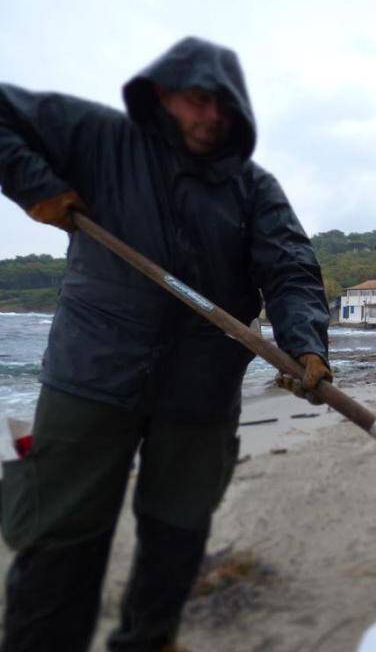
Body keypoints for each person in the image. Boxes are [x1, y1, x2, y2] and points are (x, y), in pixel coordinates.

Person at [0, 37, 332, 652]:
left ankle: (148, 642)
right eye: (199, 101)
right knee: (60, 537)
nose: (212, 118)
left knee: (177, 535)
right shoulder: (99, 138)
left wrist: (306, 343)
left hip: (200, 393)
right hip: (91, 375)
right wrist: (31, 180)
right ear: (161, 95)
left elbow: (289, 269)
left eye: (225, 109)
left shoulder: (253, 187)